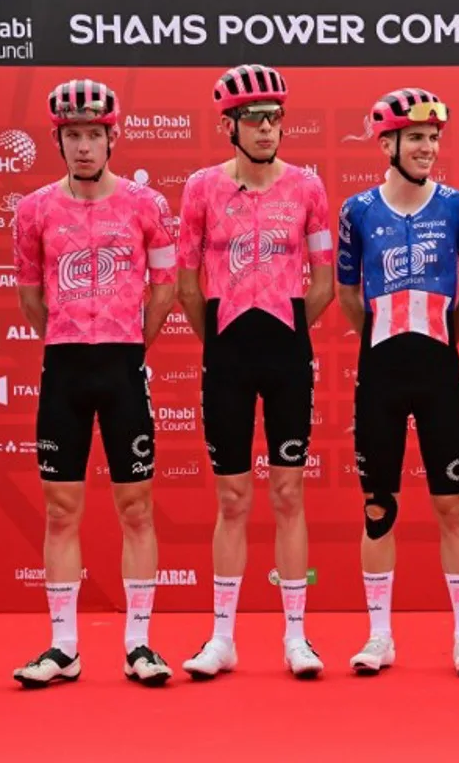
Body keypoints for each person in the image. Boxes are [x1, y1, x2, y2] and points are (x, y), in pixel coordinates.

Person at [11, 78, 178, 688]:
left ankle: (139, 643)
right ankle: (63, 646)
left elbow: (164, 287)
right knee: (61, 509)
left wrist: (132, 340)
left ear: (114, 137)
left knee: (136, 506)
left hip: (123, 365)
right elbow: (30, 294)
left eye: (94, 135)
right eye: (73, 135)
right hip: (63, 368)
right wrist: (65, 335)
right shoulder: (33, 209)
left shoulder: (145, 205)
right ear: (59, 141)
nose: (84, 146)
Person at [176, 64, 334, 680]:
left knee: (290, 491)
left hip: (287, 348)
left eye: (274, 118)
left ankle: (297, 636)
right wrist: (218, 338)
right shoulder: (201, 189)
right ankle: (222, 638)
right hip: (227, 353)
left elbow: (322, 282)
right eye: (253, 119)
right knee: (233, 496)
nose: (267, 129)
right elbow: (188, 282)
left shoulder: (308, 188)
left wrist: (289, 329)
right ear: (230, 126)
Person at [337, 88, 459, 676]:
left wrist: (442, 341)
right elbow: (350, 295)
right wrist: (385, 334)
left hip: (438, 368)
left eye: (433, 138)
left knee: (453, 506)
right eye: (416, 138)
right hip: (380, 369)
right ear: (387, 143)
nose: (427, 148)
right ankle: (380, 637)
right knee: (378, 506)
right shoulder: (357, 210)